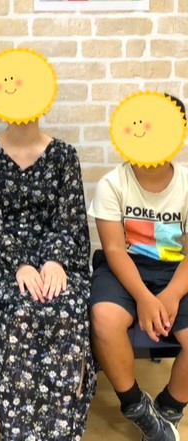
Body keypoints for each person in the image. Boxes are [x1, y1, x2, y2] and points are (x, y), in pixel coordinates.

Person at [0, 120, 96, 441]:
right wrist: (20, 264)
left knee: (65, 308)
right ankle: (19, 432)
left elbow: (71, 219)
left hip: (59, 261)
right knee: (19, 311)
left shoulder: (64, 156)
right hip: (4, 264)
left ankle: (64, 431)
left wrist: (55, 259)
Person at [89, 93, 188, 441]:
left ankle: (169, 407)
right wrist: (145, 297)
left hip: (176, 269)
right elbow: (114, 249)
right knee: (104, 317)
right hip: (125, 267)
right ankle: (136, 406)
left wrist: (171, 295)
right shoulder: (112, 184)